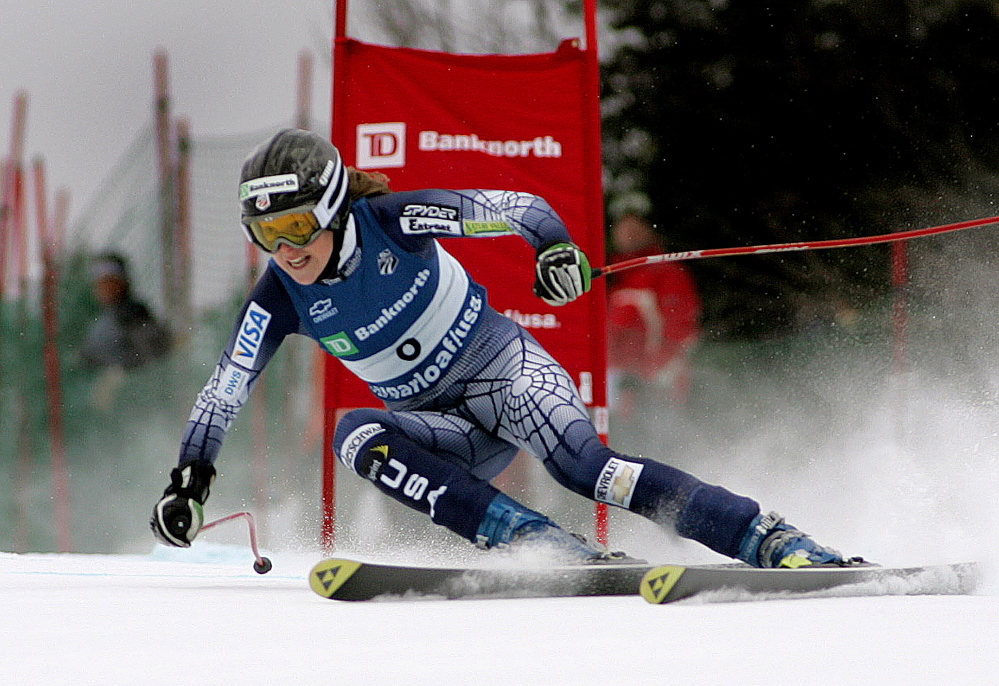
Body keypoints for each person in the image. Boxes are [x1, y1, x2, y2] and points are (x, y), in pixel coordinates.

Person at [150, 129, 856, 568]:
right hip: (447, 430)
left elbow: (516, 208)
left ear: (334, 204)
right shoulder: (279, 295)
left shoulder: (392, 220)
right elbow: (224, 388)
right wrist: (190, 478)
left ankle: (763, 537)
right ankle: (537, 544)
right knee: (355, 434)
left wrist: (552, 251)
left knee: (590, 471)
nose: (287, 249)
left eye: (298, 225)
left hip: (504, 375)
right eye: (266, 234)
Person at [606, 195, 701, 413]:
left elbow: (681, 331)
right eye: (621, 226)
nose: (627, 233)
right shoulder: (612, 276)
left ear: (650, 229)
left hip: (654, 391)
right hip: (616, 393)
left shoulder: (668, 273)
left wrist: (647, 377)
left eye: (635, 225)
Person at [79, 253, 171, 410]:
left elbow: (150, 353)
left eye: (109, 281)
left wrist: (117, 374)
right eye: (100, 282)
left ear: (122, 283)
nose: (103, 288)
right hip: (104, 410)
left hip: (133, 406)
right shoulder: (104, 318)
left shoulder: (131, 313)